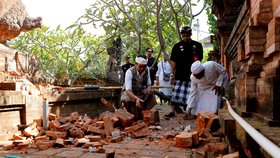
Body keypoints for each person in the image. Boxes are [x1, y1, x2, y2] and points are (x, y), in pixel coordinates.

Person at [165, 26, 203, 118]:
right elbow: (173, 62)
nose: (185, 37)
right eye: (184, 36)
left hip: (192, 74)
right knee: (176, 93)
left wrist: (198, 74)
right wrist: (172, 74)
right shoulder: (177, 46)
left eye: (187, 35)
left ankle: (190, 112)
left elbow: (199, 61)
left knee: (191, 93)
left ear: (190, 35)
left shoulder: (197, 45)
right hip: (180, 74)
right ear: (182, 35)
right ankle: (173, 112)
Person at [120, 55, 157, 120]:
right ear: (135, 64)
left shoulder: (147, 69)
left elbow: (149, 84)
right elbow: (128, 90)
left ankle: (144, 113)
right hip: (130, 92)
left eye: (144, 66)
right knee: (126, 99)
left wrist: (149, 88)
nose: (142, 68)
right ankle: (131, 114)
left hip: (140, 90)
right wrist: (136, 98)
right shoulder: (129, 72)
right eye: (140, 66)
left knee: (151, 93)